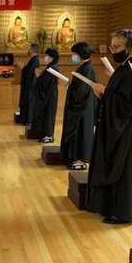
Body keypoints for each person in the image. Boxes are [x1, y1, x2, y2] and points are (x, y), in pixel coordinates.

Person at [87, 29, 132, 224]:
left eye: (117, 46)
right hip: (117, 125)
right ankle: (110, 206)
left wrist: (105, 91)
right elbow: (118, 95)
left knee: (124, 166)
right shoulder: (124, 67)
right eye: (112, 46)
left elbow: (126, 104)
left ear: (130, 47)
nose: (114, 50)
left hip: (126, 128)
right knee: (114, 162)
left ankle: (124, 212)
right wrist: (104, 95)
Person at [60, 42, 97, 170]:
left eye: (74, 54)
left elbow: (82, 90)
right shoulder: (82, 67)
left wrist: (70, 87)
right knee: (77, 132)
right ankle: (74, 156)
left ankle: (82, 159)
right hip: (80, 105)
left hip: (83, 107)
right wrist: (70, 83)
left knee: (82, 132)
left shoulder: (87, 68)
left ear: (80, 54)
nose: (73, 56)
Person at [28, 47, 60, 143]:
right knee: (46, 114)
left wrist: (38, 76)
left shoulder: (53, 67)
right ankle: (44, 133)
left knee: (49, 114)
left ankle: (49, 135)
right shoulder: (51, 65)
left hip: (50, 95)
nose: (45, 57)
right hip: (49, 94)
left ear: (52, 57)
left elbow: (46, 83)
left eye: (47, 56)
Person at [17, 43, 40, 125]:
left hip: (30, 85)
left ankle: (28, 120)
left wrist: (23, 67)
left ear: (33, 50)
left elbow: (30, 72)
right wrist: (24, 67)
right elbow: (29, 69)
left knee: (29, 102)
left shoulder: (35, 60)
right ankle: (26, 119)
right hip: (29, 84)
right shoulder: (33, 59)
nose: (28, 50)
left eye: (29, 48)